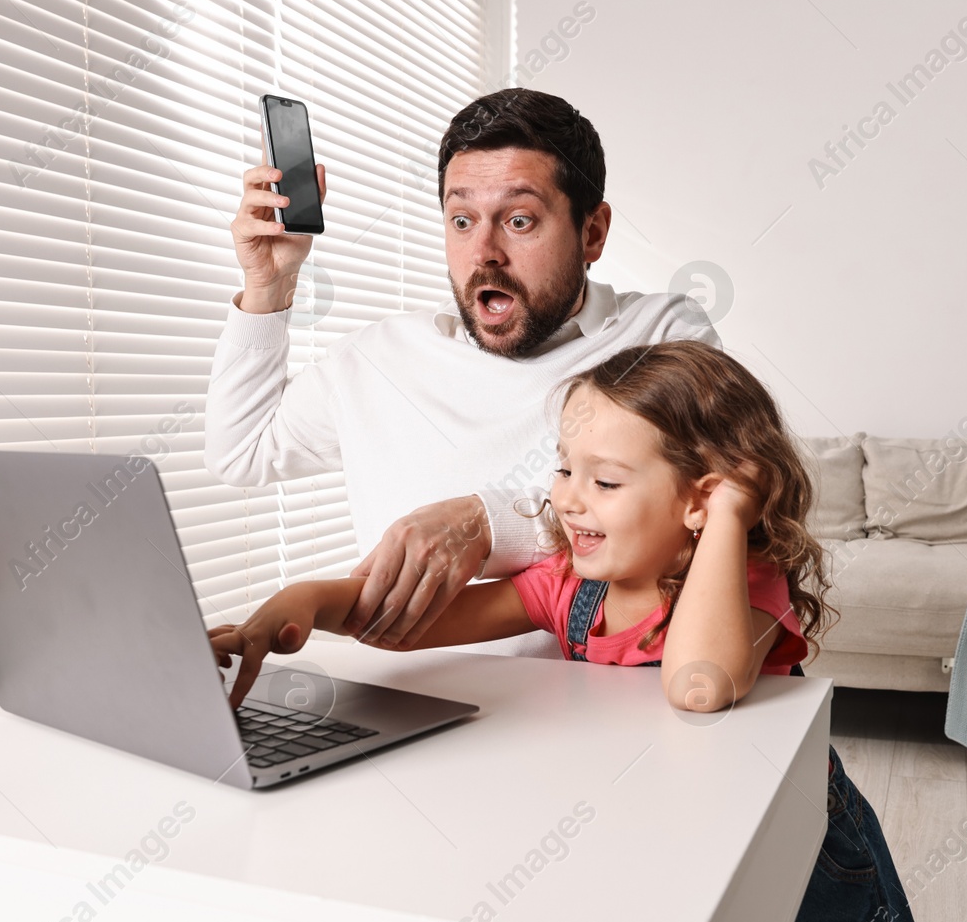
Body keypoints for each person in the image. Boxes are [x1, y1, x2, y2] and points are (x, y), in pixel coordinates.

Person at [210, 340, 949, 922]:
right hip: (671, 837)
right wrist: (308, 599)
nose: (568, 499)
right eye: (564, 467)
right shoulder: (569, 586)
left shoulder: (747, 587)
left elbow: (698, 684)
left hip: (797, 850)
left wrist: (726, 512)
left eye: (605, 480)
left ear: (700, 499)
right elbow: (412, 623)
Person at [205, 88, 719, 660]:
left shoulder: (659, 335)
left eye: (520, 220)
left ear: (592, 232)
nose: (484, 253)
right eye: (462, 219)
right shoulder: (378, 356)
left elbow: (693, 496)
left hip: (587, 708)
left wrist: (484, 523)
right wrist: (269, 286)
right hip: (406, 698)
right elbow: (241, 451)